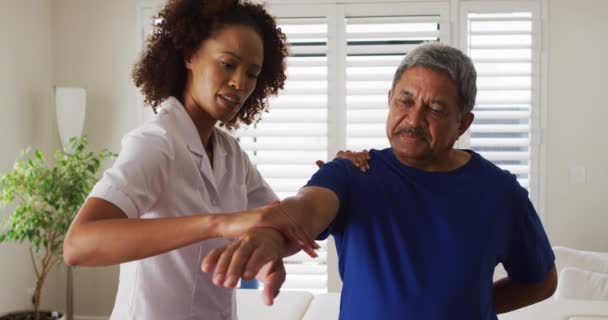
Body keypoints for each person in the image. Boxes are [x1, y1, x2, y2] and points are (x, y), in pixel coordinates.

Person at [202, 42, 558, 320]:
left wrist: (470, 306)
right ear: (389, 101)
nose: (413, 118)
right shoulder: (352, 172)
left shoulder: (500, 192)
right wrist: (267, 236)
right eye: (405, 100)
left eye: (435, 109)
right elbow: (307, 207)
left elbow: (541, 281)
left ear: (463, 123)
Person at [62, 0, 368, 319]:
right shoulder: (156, 144)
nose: (240, 83)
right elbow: (78, 245)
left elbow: (279, 222)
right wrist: (217, 224)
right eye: (227, 64)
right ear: (190, 55)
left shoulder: (229, 153)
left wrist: (336, 172)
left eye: (252, 73)